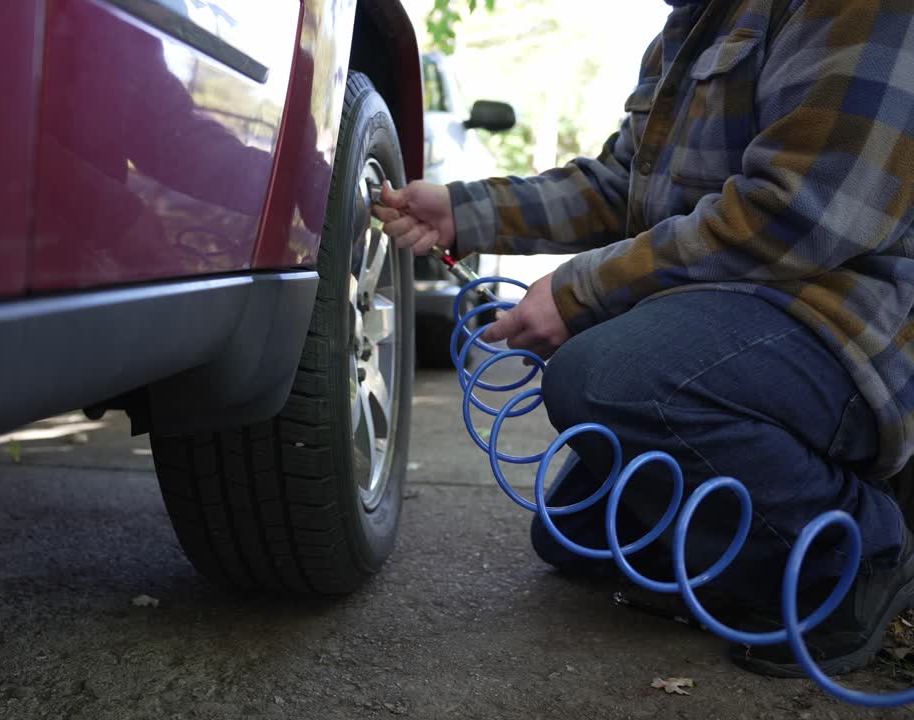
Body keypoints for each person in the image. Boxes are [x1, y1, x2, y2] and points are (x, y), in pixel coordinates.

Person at [374, 0, 914, 677]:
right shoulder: (692, 24)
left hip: (843, 335)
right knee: (574, 535)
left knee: (603, 380)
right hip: (722, 313)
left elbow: (804, 210)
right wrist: (464, 210)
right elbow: (619, 184)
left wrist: (580, 290)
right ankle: (754, 520)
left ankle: (859, 552)